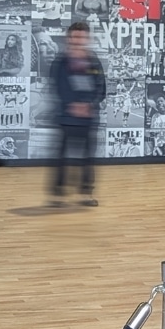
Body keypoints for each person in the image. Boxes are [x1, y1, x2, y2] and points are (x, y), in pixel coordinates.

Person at [48, 22, 107, 207]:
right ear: (69, 38)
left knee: (88, 158)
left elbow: (101, 87)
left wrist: (89, 104)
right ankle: (58, 196)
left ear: (87, 39)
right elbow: (57, 87)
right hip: (66, 118)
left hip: (88, 119)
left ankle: (86, 195)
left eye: (81, 37)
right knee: (61, 157)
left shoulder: (94, 61)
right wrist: (72, 104)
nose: (78, 40)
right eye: (75, 37)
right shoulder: (60, 61)